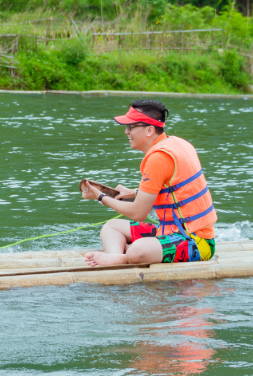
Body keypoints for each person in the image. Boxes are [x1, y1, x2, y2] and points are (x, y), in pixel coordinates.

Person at [81, 100, 217, 266]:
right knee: (111, 227)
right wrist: (134, 193)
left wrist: (101, 197)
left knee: (138, 250)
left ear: (149, 130)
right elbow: (175, 190)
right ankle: (115, 257)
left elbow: (139, 213)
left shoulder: (158, 158)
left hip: (196, 241)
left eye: (131, 126)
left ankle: (124, 258)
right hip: (167, 231)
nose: (126, 131)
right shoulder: (176, 142)